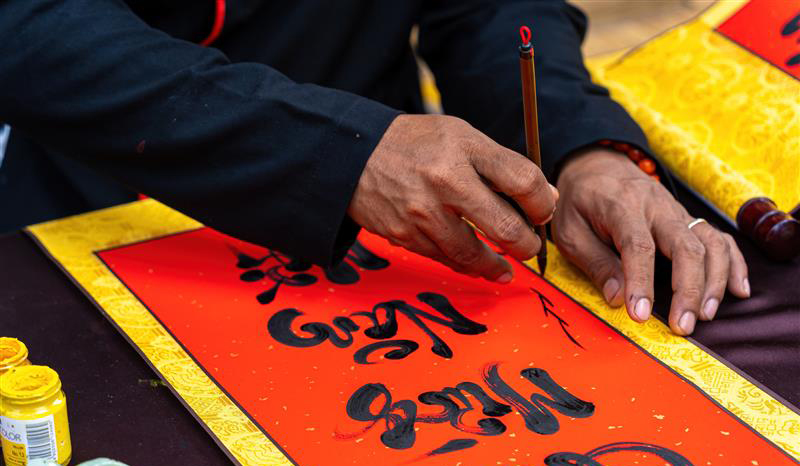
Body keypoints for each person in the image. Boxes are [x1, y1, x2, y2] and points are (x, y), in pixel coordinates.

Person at [0, 0, 749, 336]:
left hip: (393, 243)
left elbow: (487, 9)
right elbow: (30, 27)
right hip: (108, 204)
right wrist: (340, 152)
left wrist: (577, 148)